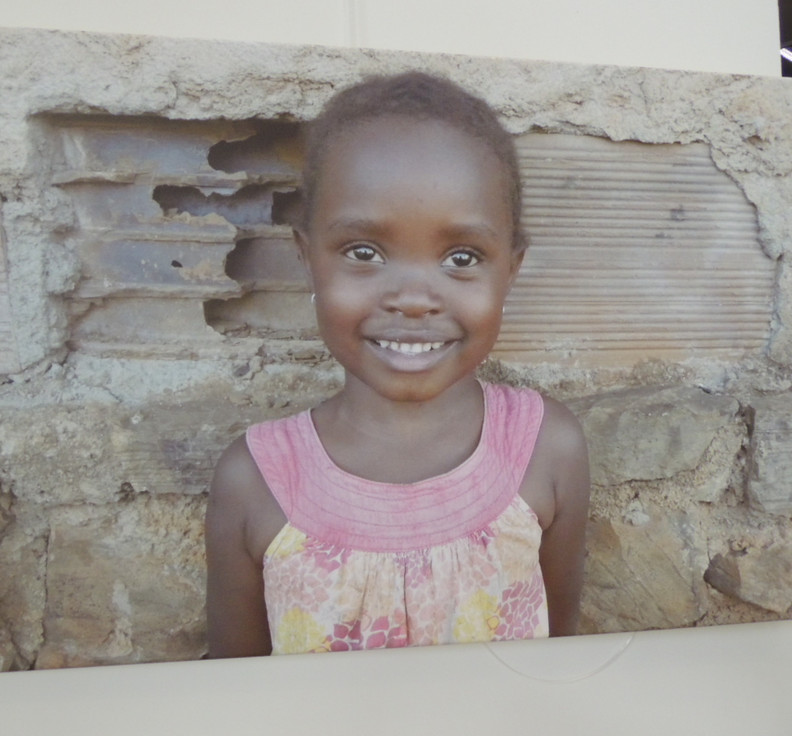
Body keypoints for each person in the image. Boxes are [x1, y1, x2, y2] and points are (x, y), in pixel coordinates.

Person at [205, 71, 590, 657]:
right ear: (307, 257)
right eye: (364, 252)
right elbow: (237, 686)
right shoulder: (256, 480)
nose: (412, 299)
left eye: (462, 257)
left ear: (511, 269)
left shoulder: (546, 450)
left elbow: (561, 654)